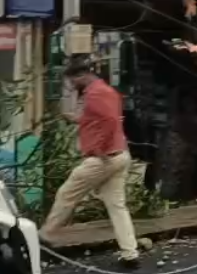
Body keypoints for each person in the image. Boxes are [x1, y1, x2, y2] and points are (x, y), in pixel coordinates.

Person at [41, 63, 140, 268]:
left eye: (72, 81)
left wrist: (97, 149)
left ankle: (45, 238)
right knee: (116, 206)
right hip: (119, 154)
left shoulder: (96, 93)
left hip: (103, 158)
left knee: (67, 193)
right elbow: (99, 119)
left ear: (83, 75)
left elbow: (110, 121)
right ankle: (130, 254)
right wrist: (76, 119)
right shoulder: (106, 91)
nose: (72, 86)